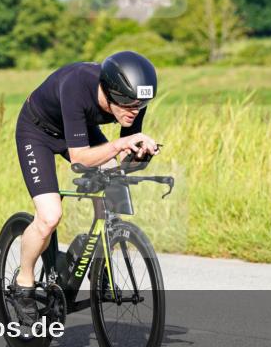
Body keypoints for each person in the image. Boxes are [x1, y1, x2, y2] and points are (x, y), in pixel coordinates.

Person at [10, 51, 160, 326]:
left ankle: (97, 256)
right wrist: (117, 146)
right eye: (127, 103)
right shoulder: (76, 85)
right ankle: (24, 283)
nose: (134, 110)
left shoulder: (133, 100)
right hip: (38, 132)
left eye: (142, 104)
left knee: (112, 181)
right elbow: (79, 158)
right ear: (109, 90)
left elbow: (123, 157)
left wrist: (138, 154)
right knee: (49, 216)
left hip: (79, 126)